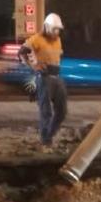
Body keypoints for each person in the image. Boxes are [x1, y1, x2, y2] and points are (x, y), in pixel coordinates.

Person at [19, 13, 68, 148]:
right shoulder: (37, 39)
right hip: (44, 78)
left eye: (58, 29)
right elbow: (22, 52)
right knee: (46, 112)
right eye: (54, 29)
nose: (56, 32)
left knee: (62, 111)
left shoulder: (57, 40)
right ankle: (46, 141)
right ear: (46, 27)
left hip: (57, 78)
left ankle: (48, 135)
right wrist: (33, 66)